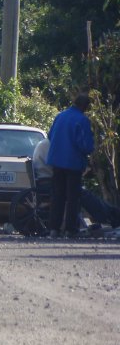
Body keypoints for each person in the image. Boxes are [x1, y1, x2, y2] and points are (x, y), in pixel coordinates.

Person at [34, 138, 120, 230]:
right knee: (83, 194)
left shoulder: (44, 144)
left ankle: (111, 214)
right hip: (50, 182)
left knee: (83, 193)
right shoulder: (50, 145)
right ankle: (111, 215)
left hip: (47, 180)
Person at [46, 93, 95, 237]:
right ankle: (70, 229)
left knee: (57, 196)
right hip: (73, 162)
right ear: (84, 106)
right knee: (73, 197)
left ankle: (54, 228)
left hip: (56, 161)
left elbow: (50, 136)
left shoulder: (60, 116)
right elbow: (85, 145)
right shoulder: (82, 120)